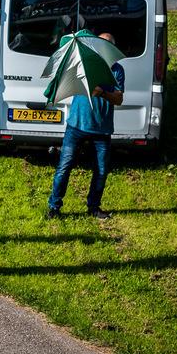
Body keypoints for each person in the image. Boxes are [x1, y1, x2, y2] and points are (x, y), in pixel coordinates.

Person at [46, 32, 124, 221]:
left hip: (102, 128)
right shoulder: (82, 63)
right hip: (77, 124)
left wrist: (102, 93)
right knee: (65, 166)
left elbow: (119, 99)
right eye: (99, 45)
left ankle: (94, 207)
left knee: (101, 171)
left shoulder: (117, 70)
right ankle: (54, 207)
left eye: (107, 46)